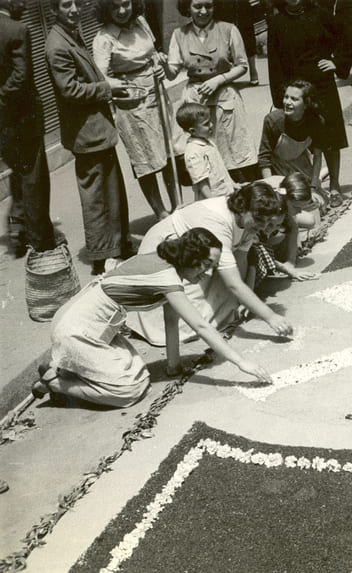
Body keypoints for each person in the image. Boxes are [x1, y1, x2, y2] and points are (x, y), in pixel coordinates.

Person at [32, 228, 271, 408]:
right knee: (131, 390)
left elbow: (171, 320)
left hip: (95, 326)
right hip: (77, 328)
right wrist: (242, 363)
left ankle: (64, 367)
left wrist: (173, 367)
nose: (208, 272)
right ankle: (56, 381)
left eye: (213, 266)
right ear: (190, 255)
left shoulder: (169, 270)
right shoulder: (166, 277)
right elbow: (200, 325)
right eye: (206, 263)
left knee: (139, 373)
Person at [126, 182, 293, 346]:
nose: (263, 226)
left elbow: (240, 259)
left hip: (194, 261)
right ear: (243, 208)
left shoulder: (247, 220)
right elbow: (234, 284)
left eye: (267, 221)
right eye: (259, 219)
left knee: (229, 304)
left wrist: (238, 300)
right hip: (164, 257)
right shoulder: (217, 221)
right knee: (190, 322)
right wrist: (270, 317)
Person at [46, 0, 132, 276]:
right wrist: (107, 88)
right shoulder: (56, 45)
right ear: (52, 10)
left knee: (111, 190)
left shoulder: (70, 34)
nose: (73, 9)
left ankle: (117, 247)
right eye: (64, 4)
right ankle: (101, 256)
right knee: (97, 196)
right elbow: (69, 90)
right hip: (86, 132)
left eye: (75, 3)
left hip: (96, 129)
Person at [92, 0, 180, 220]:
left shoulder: (141, 21)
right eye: (115, 7)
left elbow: (152, 51)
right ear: (106, 9)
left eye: (126, 4)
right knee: (145, 160)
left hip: (158, 95)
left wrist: (159, 61)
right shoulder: (103, 39)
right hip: (133, 104)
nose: (122, 11)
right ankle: (161, 213)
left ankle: (178, 205)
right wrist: (122, 85)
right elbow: (100, 78)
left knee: (168, 153)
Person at [166, 0, 259, 182]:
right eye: (197, 6)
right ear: (188, 8)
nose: (203, 11)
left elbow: (242, 65)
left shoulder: (228, 29)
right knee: (203, 157)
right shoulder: (179, 34)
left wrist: (218, 80)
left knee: (234, 155)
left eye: (208, 6)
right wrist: (162, 64)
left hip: (225, 97)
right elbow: (171, 74)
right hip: (196, 99)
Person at [267, 0, 348, 207]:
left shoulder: (318, 13)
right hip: (294, 89)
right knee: (302, 137)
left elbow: (347, 35)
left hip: (321, 85)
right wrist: (280, 97)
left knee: (329, 136)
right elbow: (274, 62)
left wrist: (336, 62)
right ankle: (310, 186)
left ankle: (335, 186)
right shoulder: (277, 22)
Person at [0, 0, 57, 258]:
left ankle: (18, 231)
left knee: (17, 173)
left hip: (4, 123)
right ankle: (42, 242)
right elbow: (21, 77)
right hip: (23, 117)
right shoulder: (17, 29)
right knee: (34, 178)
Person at [258, 80, 326, 193]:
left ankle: (319, 177)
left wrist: (313, 187)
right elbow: (264, 158)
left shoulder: (316, 121)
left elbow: (317, 156)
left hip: (301, 164)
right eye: (286, 97)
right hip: (277, 168)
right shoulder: (272, 121)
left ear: (306, 104)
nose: (287, 102)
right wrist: (271, 188)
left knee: (315, 200)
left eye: (294, 99)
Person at [177, 102, 237, 200]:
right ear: (193, 131)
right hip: (212, 198)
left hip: (225, 193)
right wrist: (212, 200)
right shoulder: (193, 151)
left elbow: (221, 169)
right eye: (206, 124)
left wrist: (232, 184)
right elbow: (201, 181)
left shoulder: (208, 142)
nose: (212, 124)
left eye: (210, 121)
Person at [216, 0, 261, 85]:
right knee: (224, 35)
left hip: (242, 5)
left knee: (247, 35)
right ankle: (227, 73)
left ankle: (253, 70)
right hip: (222, 6)